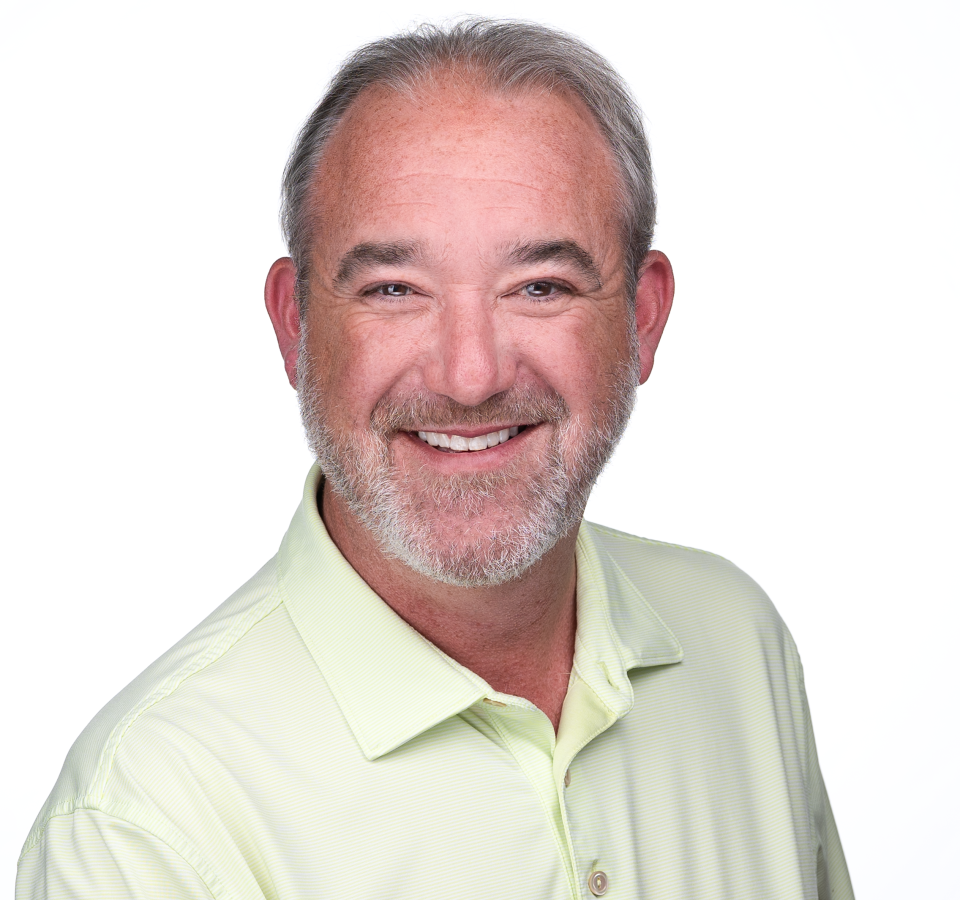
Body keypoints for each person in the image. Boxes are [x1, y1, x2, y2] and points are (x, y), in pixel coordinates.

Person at [17, 18, 853, 900]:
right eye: (393, 290)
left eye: (540, 287)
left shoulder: (736, 641)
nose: (469, 376)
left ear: (642, 319)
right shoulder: (149, 823)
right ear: (295, 326)